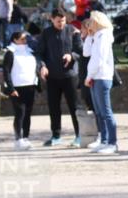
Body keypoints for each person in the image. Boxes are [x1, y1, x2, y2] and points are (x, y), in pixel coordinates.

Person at [34, 8, 83, 147]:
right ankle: (56, 136)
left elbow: (81, 51)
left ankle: (79, 135)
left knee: (75, 107)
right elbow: (39, 53)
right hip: (52, 77)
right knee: (54, 107)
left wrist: (71, 56)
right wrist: (42, 66)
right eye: (58, 21)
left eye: (63, 21)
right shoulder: (46, 33)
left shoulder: (73, 30)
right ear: (52, 19)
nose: (61, 23)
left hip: (70, 76)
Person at [84, 11, 118, 154]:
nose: (89, 24)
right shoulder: (96, 36)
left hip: (102, 77)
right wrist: (89, 36)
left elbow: (99, 59)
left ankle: (112, 143)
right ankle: (104, 141)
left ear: (97, 22)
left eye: (91, 21)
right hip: (95, 77)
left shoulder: (104, 36)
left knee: (106, 111)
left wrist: (89, 76)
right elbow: (86, 53)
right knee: (99, 112)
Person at [3, 30, 40, 150]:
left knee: (28, 114)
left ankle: (26, 137)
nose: (25, 41)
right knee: (20, 113)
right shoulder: (10, 52)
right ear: (15, 40)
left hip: (30, 86)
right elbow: (6, 72)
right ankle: (18, 139)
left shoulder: (30, 51)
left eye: (26, 39)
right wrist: (11, 88)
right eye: (23, 39)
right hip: (17, 88)